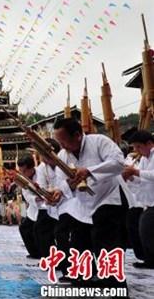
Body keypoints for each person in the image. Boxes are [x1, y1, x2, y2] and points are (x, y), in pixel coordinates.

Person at [49, 118, 126, 288]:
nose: (62, 146)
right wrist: (61, 190)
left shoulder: (99, 141)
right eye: (59, 142)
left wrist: (89, 171)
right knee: (78, 243)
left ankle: (116, 289)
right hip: (82, 205)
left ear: (77, 135)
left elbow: (119, 163)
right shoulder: (63, 155)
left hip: (106, 198)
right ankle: (85, 283)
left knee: (105, 244)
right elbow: (62, 183)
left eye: (64, 141)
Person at [122, 130, 154, 269]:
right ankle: (149, 259)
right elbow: (141, 181)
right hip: (149, 202)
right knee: (143, 230)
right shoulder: (144, 159)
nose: (136, 151)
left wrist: (135, 171)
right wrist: (130, 178)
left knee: (145, 228)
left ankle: (150, 260)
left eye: (138, 147)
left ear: (149, 144)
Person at [17, 155, 41, 258]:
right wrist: (34, 199)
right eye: (20, 171)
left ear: (32, 167)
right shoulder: (22, 178)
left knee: (39, 230)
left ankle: (44, 253)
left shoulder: (42, 172)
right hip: (34, 206)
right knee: (24, 228)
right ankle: (34, 253)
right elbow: (26, 194)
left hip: (47, 207)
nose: (23, 173)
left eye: (24, 171)